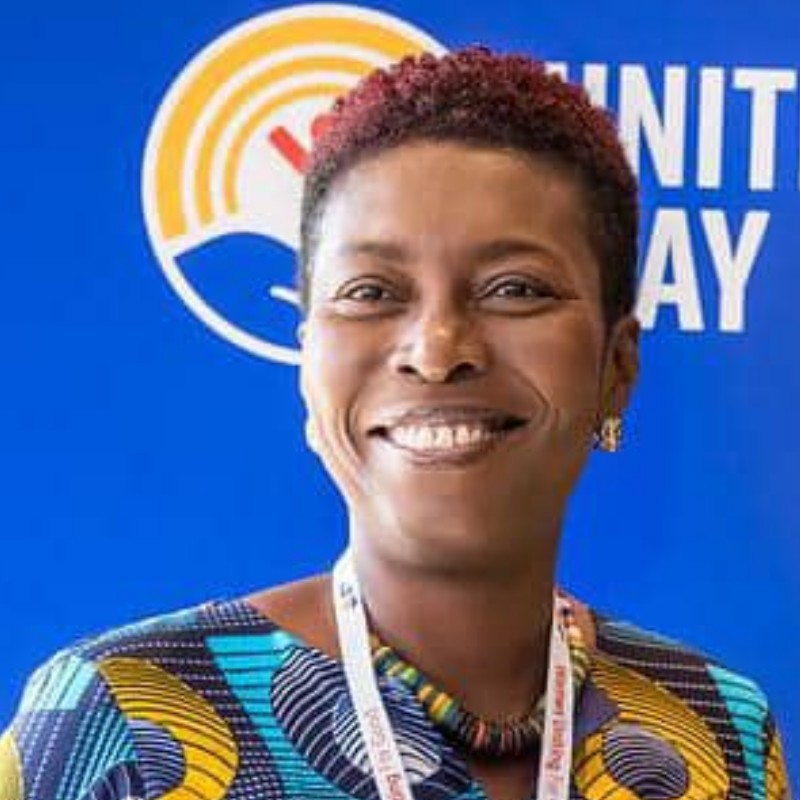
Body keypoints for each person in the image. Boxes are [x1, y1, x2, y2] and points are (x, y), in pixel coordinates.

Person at [0, 46, 790, 800]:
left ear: (616, 368)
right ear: (309, 364)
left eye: (515, 289)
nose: (438, 350)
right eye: (371, 292)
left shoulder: (716, 725)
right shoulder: (122, 722)